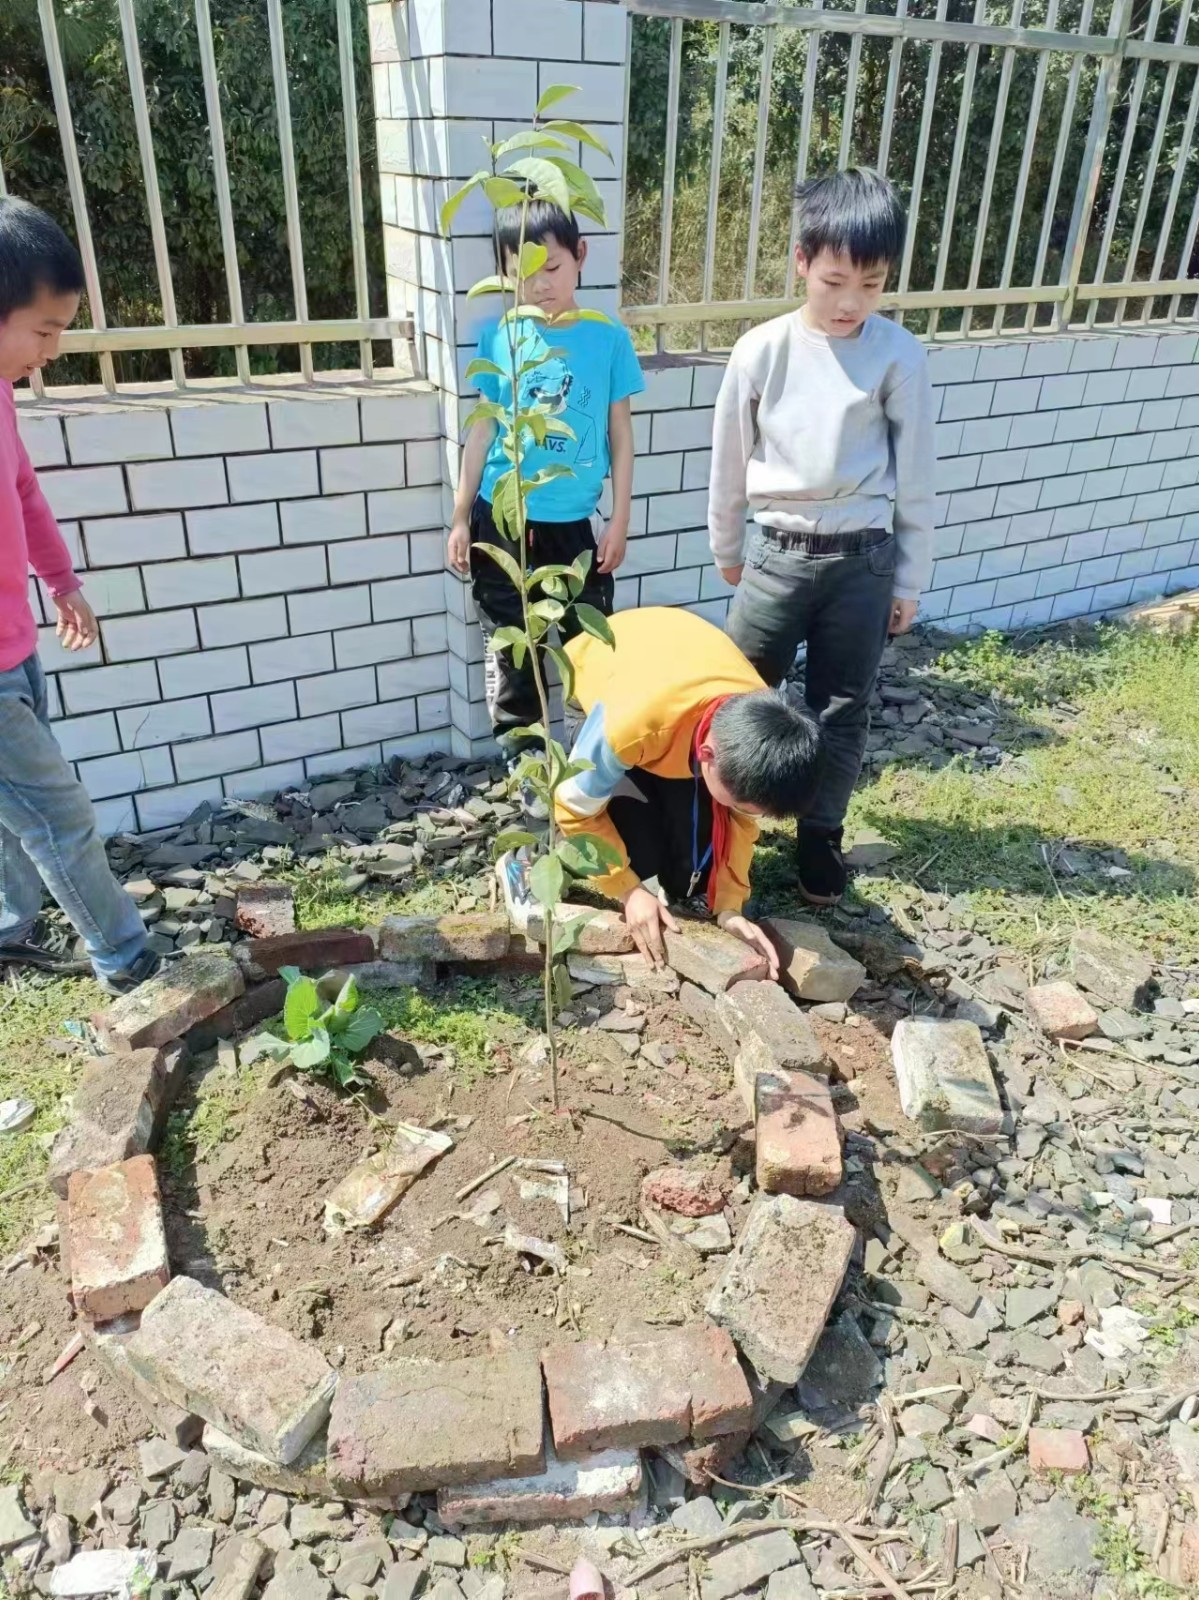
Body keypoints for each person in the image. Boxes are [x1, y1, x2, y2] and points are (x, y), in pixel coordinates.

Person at [708, 167, 935, 907]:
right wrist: (727, 547)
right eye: (835, 279)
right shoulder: (761, 350)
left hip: (862, 563)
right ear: (802, 260)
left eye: (870, 285)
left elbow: (917, 476)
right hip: (774, 554)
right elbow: (728, 456)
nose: (850, 303)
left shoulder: (898, 355)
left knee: (843, 706)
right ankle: (716, 826)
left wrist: (907, 580)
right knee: (735, 695)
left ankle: (819, 842)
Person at [0, 197, 160, 994]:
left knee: (13, 809)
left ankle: (8, 927)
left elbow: (23, 492)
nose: (53, 351)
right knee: (60, 815)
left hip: (17, 649)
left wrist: (61, 583)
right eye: (45, 330)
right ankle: (129, 965)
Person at [447, 196, 644, 810]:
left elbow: (619, 435)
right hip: (503, 522)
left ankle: (592, 771)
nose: (539, 283)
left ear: (581, 257)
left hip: (574, 527)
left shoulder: (607, 338)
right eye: (521, 269)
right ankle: (528, 770)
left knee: (587, 643)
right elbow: (480, 429)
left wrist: (620, 520)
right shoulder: (501, 335)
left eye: (552, 267)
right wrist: (459, 516)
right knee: (512, 642)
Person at [505, 607, 822, 972]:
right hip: (605, 666)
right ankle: (527, 861)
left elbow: (737, 821)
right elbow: (574, 807)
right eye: (748, 806)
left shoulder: (756, 724)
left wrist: (730, 906)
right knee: (638, 851)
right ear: (707, 755)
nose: (754, 818)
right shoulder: (627, 725)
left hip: (677, 673)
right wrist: (628, 889)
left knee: (693, 869)